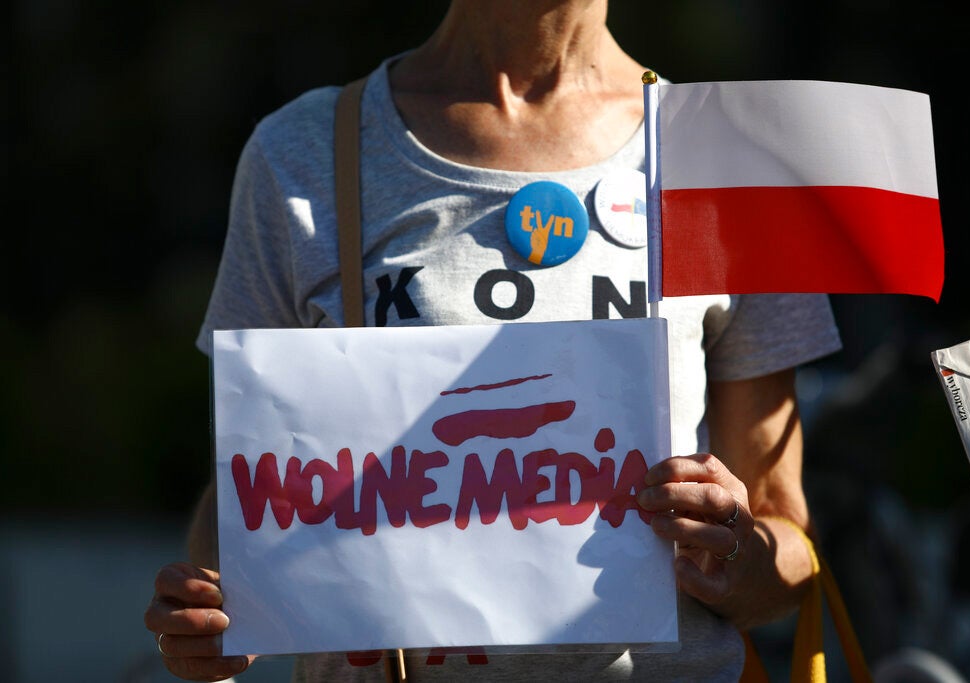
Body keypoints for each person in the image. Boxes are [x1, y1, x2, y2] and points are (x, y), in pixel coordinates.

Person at [144, 1, 842, 681]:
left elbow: (788, 535)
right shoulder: (301, 153)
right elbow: (249, 488)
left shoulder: (730, 156)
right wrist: (215, 611)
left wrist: (743, 558)